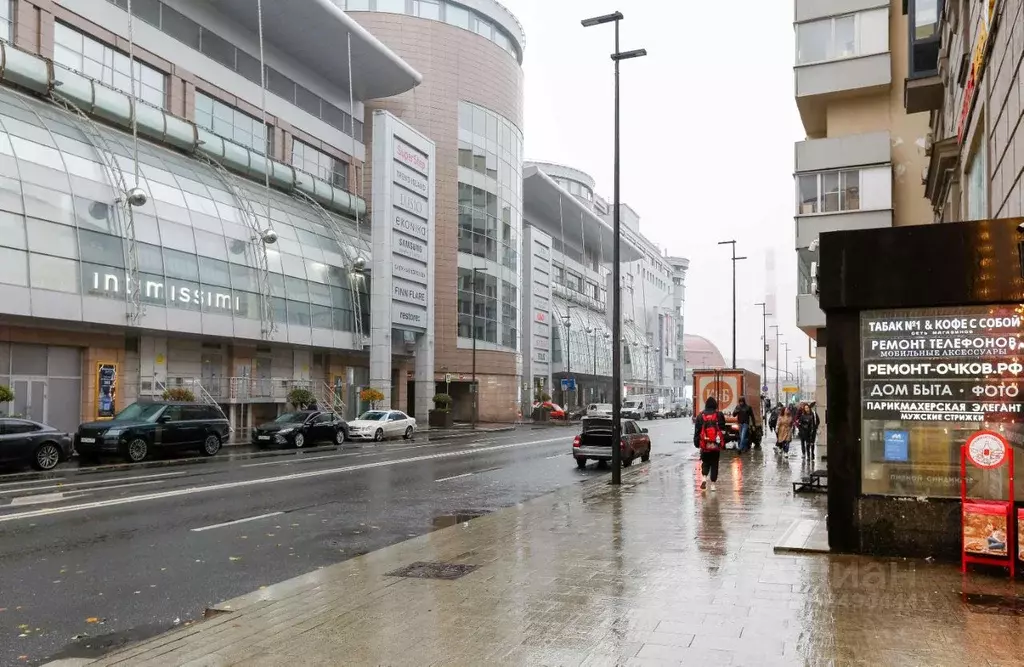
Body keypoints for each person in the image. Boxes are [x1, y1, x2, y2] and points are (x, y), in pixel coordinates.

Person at [694, 396, 727, 491]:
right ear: (715, 405)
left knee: (705, 462)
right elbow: (722, 429)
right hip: (715, 444)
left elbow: (697, 431)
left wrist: (696, 442)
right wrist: (722, 442)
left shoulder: (700, 415)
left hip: (705, 444)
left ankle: (704, 478)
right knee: (714, 463)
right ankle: (713, 485)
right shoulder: (719, 415)